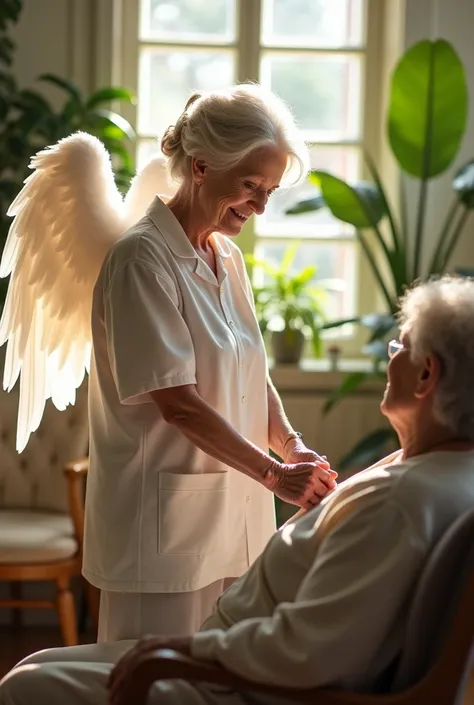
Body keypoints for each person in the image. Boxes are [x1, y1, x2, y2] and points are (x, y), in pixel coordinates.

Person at [2, 274, 474, 705]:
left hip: (234, 688)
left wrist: (179, 650)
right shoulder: (443, 472)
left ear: (427, 375)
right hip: (230, 663)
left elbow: (301, 652)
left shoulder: (400, 505)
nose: (390, 359)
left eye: (400, 348)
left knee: (24, 686)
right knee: (32, 665)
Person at [82, 84, 336, 643]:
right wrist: (275, 475)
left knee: (219, 683)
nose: (261, 204)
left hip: (235, 519)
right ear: (200, 166)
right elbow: (178, 404)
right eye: (251, 185)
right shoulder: (141, 260)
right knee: (151, 683)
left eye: (269, 189)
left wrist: (290, 446)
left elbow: (251, 371)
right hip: (163, 527)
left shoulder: (227, 255)